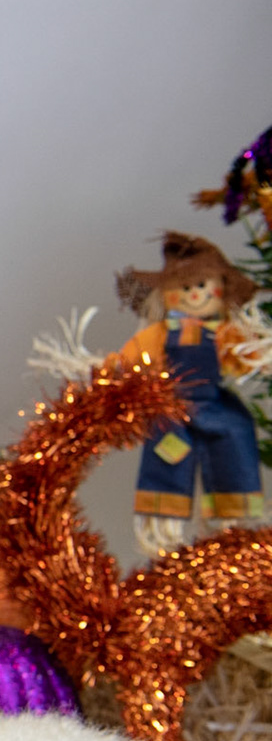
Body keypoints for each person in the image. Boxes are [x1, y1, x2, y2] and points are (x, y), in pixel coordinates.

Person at [112, 232, 269, 553]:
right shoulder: (160, 334)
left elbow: (246, 355)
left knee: (235, 437)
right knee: (167, 455)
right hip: (173, 410)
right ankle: (162, 534)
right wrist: (111, 373)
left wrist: (260, 354)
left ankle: (231, 529)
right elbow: (130, 359)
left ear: (221, 289)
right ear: (166, 294)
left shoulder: (224, 332)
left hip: (215, 407)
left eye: (201, 285)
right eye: (185, 288)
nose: (195, 295)